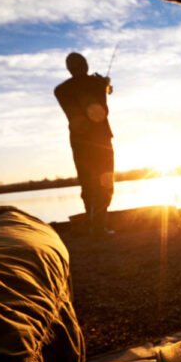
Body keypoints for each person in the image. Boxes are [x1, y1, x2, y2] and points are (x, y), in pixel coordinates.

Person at [54, 52, 115, 236]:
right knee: (105, 183)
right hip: (101, 141)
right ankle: (99, 229)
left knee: (87, 184)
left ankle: (92, 226)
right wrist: (104, 85)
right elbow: (102, 111)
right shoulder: (97, 83)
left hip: (79, 142)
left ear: (69, 69)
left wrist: (102, 86)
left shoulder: (60, 90)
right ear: (86, 65)